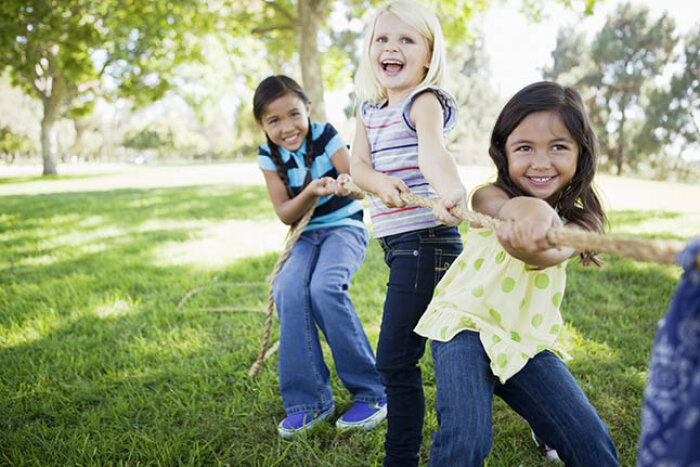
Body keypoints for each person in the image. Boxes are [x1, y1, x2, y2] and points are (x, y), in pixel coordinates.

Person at [414, 81, 619, 466]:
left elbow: (542, 256)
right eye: (524, 148)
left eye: (558, 146)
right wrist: (530, 216)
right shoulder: (488, 197)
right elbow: (514, 223)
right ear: (503, 153)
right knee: (467, 438)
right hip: (464, 325)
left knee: (591, 441)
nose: (541, 162)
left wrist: (546, 231)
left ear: (581, 153)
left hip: (525, 341)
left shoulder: (582, 222)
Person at [349, 1, 467, 464]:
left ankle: (398, 460)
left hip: (427, 242)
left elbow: (431, 154)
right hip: (400, 246)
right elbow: (358, 165)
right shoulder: (369, 110)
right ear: (370, 50)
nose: (391, 48)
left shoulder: (424, 102)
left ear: (427, 54)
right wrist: (378, 183)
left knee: (395, 361)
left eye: (406, 40)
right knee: (469, 350)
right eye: (382, 39)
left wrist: (452, 191)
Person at [253, 75, 387, 439]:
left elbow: (357, 183)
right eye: (273, 120)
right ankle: (309, 401)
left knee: (325, 288)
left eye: (294, 114)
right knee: (288, 290)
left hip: (344, 229)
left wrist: (347, 183)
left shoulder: (326, 136)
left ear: (308, 110)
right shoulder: (269, 155)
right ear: (262, 125)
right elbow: (285, 212)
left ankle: (372, 392)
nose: (286, 127)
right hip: (305, 235)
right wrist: (311, 191)